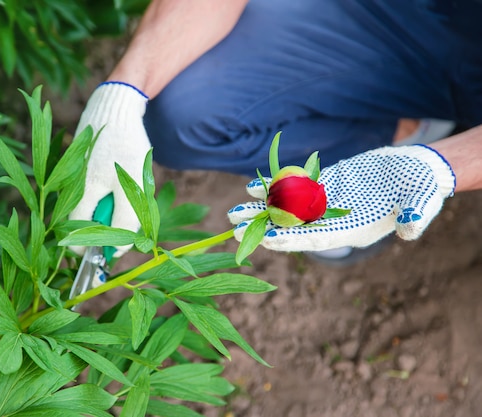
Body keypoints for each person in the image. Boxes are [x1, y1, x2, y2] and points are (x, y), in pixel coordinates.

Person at [69, 0, 482, 261]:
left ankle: (426, 149)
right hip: (394, 15)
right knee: (183, 106)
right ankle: (401, 129)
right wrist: (122, 93)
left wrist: (443, 166)